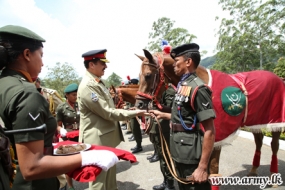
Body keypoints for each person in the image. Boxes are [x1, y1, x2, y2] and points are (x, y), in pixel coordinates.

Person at [0, 25, 119, 190]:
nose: (43, 62)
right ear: (27, 54)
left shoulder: (5, 85)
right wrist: (87, 158)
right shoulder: (26, 93)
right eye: (41, 55)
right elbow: (32, 167)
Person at [78, 49, 147, 190]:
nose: (106, 67)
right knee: (99, 183)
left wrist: (129, 111)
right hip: (97, 141)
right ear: (92, 65)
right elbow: (107, 112)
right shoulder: (88, 86)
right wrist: (134, 113)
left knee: (110, 181)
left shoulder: (97, 83)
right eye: (102, 63)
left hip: (104, 138)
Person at [150, 43, 216, 190]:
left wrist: (202, 167)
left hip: (191, 155)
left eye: (176, 62)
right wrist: (163, 114)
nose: (174, 65)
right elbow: (184, 118)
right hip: (179, 151)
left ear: (188, 62)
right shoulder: (183, 85)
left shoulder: (199, 88)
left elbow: (210, 130)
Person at [150, 83, 176, 190]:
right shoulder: (154, 90)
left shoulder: (169, 90)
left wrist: (156, 106)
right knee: (161, 156)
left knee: (166, 156)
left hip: (164, 127)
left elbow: (171, 109)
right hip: (157, 126)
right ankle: (165, 181)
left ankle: (170, 184)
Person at [56, 83, 80, 190]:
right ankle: (70, 186)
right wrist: (61, 130)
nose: (76, 97)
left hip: (81, 135)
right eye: (74, 95)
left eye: (77, 94)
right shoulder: (61, 107)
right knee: (69, 161)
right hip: (68, 136)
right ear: (67, 95)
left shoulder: (80, 104)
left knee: (82, 158)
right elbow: (58, 125)